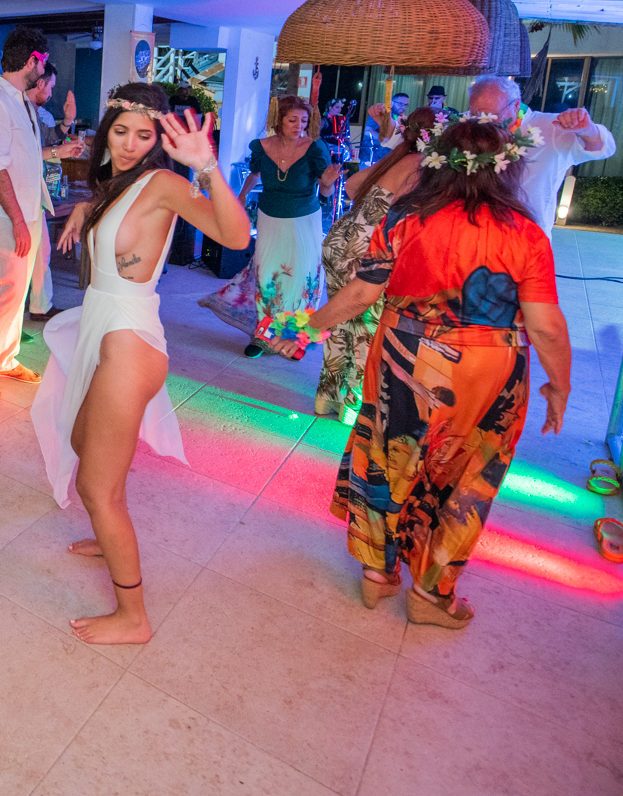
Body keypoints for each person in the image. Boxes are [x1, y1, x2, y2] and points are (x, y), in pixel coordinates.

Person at [307, 116, 572, 628]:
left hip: (401, 356)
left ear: (437, 162)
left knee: (387, 457)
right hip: (484, 371)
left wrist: (306, 326)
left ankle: (377, 572)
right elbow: (547, 328)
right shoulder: (525, 233)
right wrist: (558, 387)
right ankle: (431, 595)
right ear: (508, 168)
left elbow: (361, 293)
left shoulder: (405, 218)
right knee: (467, 475)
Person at [33, 84, 250, 644]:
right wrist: (86, 210)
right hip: (105, 330)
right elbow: (115, 214)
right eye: (120, 131)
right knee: (81, 441)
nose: (129, 144)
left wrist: (206, 167)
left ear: (158, 141)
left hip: (129, 343)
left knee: (97, 488)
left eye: (143, 135)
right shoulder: (116, 184)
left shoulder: (163, 184)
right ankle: (108, 534)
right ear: (106, 132)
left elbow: (235, 235)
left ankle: (134, 617)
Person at [0, 27, 85, 399]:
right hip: (4, 212)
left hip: (26, 208)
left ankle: (4, 358)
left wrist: (60, 152)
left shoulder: (19, 101)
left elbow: (24, 156)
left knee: (17, 291)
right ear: (32, 60)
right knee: (7, 289)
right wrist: (17, 220)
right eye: (42, 63)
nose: (44, 72)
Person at [313, 107, 437, 421]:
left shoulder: (398, 156)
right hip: (366, 248)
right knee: (366, 327)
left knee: (340, 320)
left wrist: (369, 211)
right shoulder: (421, 165)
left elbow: (353, 185)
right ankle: (356, 405)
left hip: (341, 238)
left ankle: (329, 399)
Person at [198, 94, 338, 356]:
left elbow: (326, 191)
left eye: (303, 121)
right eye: (292, 120)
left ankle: (296, 337)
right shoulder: (262, 147)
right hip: (270, 217)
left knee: (300, 279)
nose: (299, 126)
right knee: (267, 276)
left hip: (304, 220)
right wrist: (240, 198)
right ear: (279, 120)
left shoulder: (315, 148)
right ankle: (263, 335)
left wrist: (328, 184)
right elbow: (254, 175)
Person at [467, 74, 615, 240]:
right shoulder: (468, 125)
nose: (484, 122)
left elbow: (603, 148)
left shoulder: (551, 127)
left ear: (516, 105)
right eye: (476, 115)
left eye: (493, 115)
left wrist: (588, 130)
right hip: (475, 231)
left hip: (529, 236)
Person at [27, 62, 71, 323]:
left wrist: (67, 121)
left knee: (41, 251)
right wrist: (58, 151)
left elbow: (49, 136)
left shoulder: (33, 110)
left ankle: (40, 306)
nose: (52, 93)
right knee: (20, 259)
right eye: (51, 86)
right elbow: (26, 153)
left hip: (34, 191)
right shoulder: (19, 109)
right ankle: (10, 315)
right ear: (40, 83)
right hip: (19, 193)